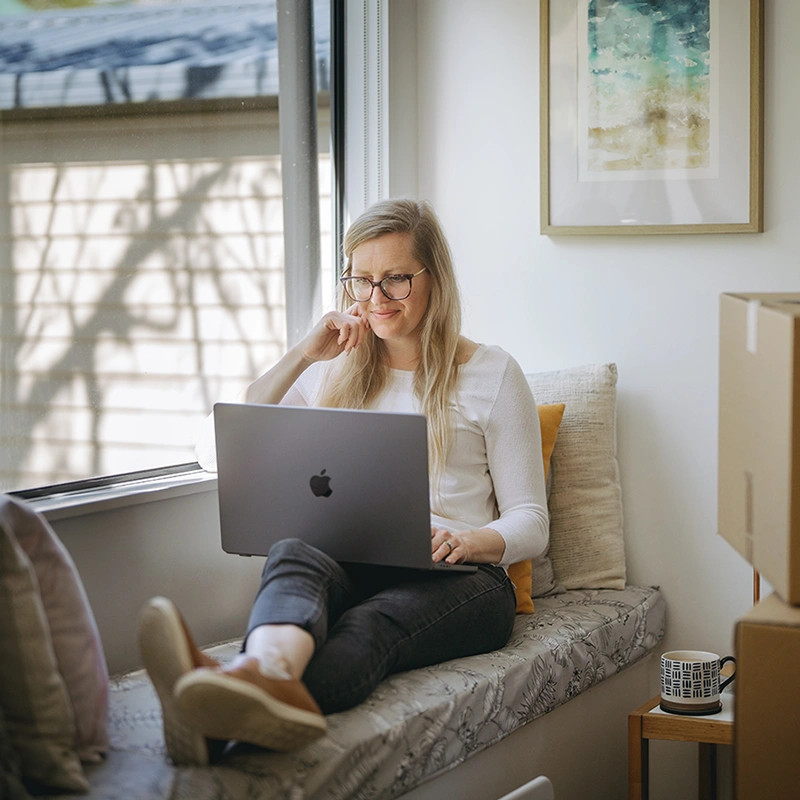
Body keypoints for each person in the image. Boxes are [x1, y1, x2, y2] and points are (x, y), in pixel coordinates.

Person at [138, 198, 549, 767]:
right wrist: (302, 356)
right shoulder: (333, 366)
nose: (376, 298)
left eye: (396, 279)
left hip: (463, 577)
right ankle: (255, 676)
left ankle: (220, 694)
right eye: (361, 280)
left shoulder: (492, 373)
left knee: (366, 625)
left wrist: (470, 541)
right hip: (353, 558)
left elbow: (532, 520)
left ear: (434, 278)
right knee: (292, 552)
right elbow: (222, 446)